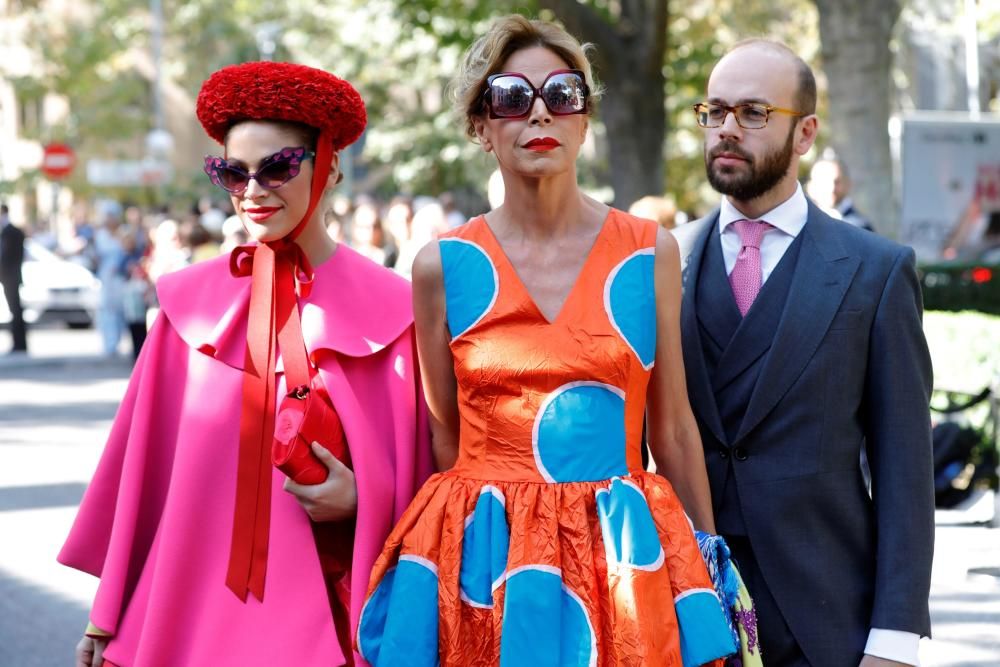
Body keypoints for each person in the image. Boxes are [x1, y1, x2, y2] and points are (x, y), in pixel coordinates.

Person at [356, 16, 737, 666]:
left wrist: (707, 562)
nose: (540, 114)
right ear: (481, 125)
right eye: (511, 97)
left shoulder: (650, 253)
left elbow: (672, 428)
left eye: (562, 95)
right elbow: (445, 437)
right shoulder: (440, 267)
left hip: (621, 555)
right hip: (487, 561)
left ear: (585, 121)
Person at [60, 61, 432, 667]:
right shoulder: (188, 310)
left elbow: (431, 476)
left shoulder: (398, 315)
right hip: (193, 623)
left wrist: (365, 499)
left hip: (343, 621)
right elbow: (146, 487)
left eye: (278, 167)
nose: (253, 191)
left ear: (331, 165)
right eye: (233, 172)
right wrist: (109, 617)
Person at [674, 39, 934, 667]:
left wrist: (895, 640)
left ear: (806, 133)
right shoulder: (661, 262)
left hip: (828, 624)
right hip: (686, 614)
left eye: (754, 113)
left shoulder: (874, 271)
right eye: (715, 112)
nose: (728, 130)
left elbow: (904, 465)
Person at [807, 155, 875, 232]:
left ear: (848, 184)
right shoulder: (801, 224)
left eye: (837, 182)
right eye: (824, 181)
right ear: (810, 187)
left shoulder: (860, 228)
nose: (831, 188)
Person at [0, 203, 27, 353]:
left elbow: (10, 256)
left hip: (11, 276)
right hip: (8, 276)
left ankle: (20, 344)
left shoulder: (12, 232)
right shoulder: (6, 231)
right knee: (14, 310)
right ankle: (18, 343)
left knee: (15, 310)